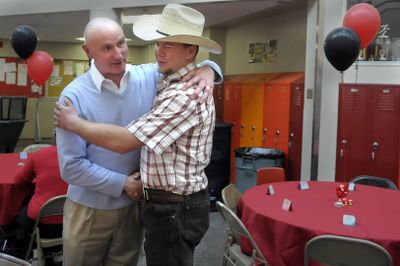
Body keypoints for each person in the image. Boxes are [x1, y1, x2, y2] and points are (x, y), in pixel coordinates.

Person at [55, 4, 221, 266]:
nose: (118, 54)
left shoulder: (149, 77)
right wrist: (123, 183)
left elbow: (186, 65)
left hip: (137, 208)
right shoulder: (73, 96)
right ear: (88, 51)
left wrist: (209, 68)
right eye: (107, 48)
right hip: (90, 211)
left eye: (121, 43)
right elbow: (71, 167)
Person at [13, 145, 68, 262]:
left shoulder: (40, 154)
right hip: (75, 222)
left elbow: (18, 182)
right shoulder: (84, 157)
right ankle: (55, 252)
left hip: (43, 225)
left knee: (21, 212)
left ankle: (25, 254)